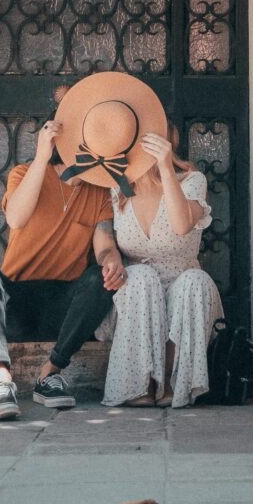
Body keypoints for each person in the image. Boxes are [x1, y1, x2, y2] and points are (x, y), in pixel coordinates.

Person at [50, 71, 222, 409]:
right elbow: (104, 238)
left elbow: (181, 224)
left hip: (185, 295)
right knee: (140, 277)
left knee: (194, 281)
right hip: (137, 298)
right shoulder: (115, 189)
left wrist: (165, 168)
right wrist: (109, 258)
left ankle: (174, 381)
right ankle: (141, 384)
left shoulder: (191, 180)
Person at [0, 117, 126, 422]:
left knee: (100, 277)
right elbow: (15, 218)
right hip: (16, 302)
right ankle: (0, 381)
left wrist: (113, 260)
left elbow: (104, 245)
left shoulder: (98, 193)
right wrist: (42, 156)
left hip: (63, 308)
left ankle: (50, 372)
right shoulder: (24, 173)